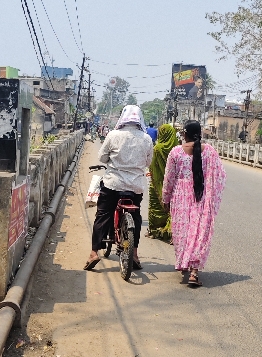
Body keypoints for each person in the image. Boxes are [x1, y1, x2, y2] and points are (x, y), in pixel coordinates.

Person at [84, 105, 153, 270]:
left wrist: (114, 160)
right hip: (135, 186)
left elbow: (102, 157)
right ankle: (134, 254)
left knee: (103, 215)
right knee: (136, 217)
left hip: (113, 183)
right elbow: (148, 162)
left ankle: (94, 253)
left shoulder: (113, 135)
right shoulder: (146, 139)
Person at [162, 119, 226, 287]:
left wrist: (165, 198)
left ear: (184, 134)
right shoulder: (209, 151)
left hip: (180, 196)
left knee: (182, 231)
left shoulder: (176, 152)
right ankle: (194, 272)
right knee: (198, 232)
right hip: (201, 195)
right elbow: (220, 175)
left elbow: (169, 179)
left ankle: (184, 262)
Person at [147, 124, 180, 240]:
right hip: (173, 184)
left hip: (156, 183)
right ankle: (170, 231)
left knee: (155, 206)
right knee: (171, 208)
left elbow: (151, 165)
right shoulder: (178, 149)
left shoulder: (157, 149)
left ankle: (154, 230)